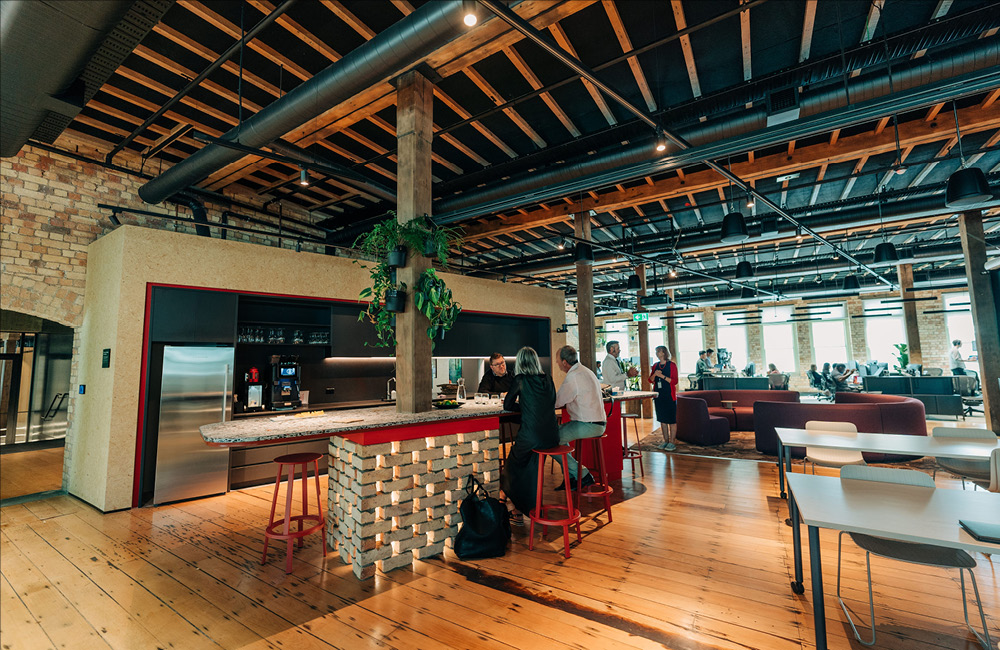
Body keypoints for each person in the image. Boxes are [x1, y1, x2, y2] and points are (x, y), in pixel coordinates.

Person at [500, 347, 558, 522]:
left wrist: (524, 408)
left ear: (520, 362)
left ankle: (512, 505)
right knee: (529, 465)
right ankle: (523, 505)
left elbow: (507, 405)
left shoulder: (521, 379)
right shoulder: (548, 379)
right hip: (552, 436)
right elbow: (550, 404)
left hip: (531, 437)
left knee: (511, 466)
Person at [553, 345, 605, 489]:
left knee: (550, 439)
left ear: (564, 362)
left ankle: (582, 474)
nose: (557, 364)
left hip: (588, 425)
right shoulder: (586, 371)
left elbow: (558, 401)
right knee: (560, 437)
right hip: (598, 424)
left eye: (557, 361)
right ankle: (571, 478)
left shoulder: (573, 377)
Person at [649, 346, 679, 450]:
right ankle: (665, 441)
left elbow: (675, 381)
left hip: (669, 396)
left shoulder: (672, 365)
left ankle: (672, 442)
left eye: (659, 351)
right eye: (656, 351)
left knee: (671, 420)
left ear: (664, 352)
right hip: (659, 396)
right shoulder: (655, 365)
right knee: (662, 419)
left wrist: (662, 377)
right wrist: (655, 375)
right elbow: (650, 380)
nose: (657, 353)